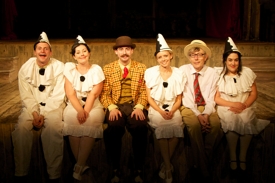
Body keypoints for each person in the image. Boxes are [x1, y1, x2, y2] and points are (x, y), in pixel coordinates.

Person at [11, 32, 65, 183]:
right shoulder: (25, 69)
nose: (42, 51)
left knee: (53, 128)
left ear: (50, 52)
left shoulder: (59, 67)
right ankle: (20, 173)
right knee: (21, 129)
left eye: (46, 48)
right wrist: (35, 113)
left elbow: (58, 95)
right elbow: (26, 95)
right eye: (39, 48)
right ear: (35, 51)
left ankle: (54, 175)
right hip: (31, 107)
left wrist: (45, 113)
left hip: (53, 106)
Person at [214, 37, 270, 177]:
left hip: (245, 105)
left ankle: (242, 157)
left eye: (236, 60)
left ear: (239, 61)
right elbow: (216, 98)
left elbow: (254, 93)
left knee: (246, 121)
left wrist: (244, 105)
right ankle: (233, 156)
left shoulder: (247, 73)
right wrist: (233, 104)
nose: (233, 63)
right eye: (230, 60)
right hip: (227, 106)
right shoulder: (219, 76)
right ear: (225, 61)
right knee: (232, 120)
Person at [99, 36, 148, 183]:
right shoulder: (107, 69)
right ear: (116, 52)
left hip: (135, 105)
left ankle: (138, 169)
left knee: (140, 126)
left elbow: (146, 91)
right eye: (121, 49)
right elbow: (104, 93)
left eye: (127, 49)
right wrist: (112, 107)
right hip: (116, 105)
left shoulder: (141, 68)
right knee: (114, 127)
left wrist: (140, 106)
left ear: (132, 51)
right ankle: (115, 169)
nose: (124, 52)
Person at [62, 35, 105, 181]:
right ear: (74, 56)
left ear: (89, 53)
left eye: (84, 51)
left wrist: (85, 111)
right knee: (71, 118)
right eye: (78, 52)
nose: (82, 54)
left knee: (91, 120)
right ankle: (82, 165)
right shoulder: (70, 70)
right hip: (75, 104)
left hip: (93, 105)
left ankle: (78, 166)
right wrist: (79, 110)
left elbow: (94, 93)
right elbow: (70, 93)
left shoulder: (96, 69)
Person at [179, 40, 223, 181]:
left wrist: (206, 113)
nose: (196, 58)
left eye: (200, 54)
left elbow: (212, 97)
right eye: (193, 55)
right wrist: (198, 115)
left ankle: (199, 164)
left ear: (206, 57)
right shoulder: (183, 70)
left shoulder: (212, 73)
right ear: (189, 57)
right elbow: (185, 97)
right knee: (194, 126)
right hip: (188, 106)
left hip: (207, 106)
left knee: (216, 126)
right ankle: (205, 170)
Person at [144, 33, 186, 183]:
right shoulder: (150, 73)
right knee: (161, 127)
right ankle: (168, 167)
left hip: (173, 108)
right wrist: (161, 111)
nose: (163, 59)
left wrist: (172, 111)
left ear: (171, 56)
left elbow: (179, 98)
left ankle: (165, 165)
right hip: (156, 108)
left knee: (176, 127)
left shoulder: (179, 73)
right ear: (157, 59)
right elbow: (149, 98)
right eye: (160, 57)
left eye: (166, 56)